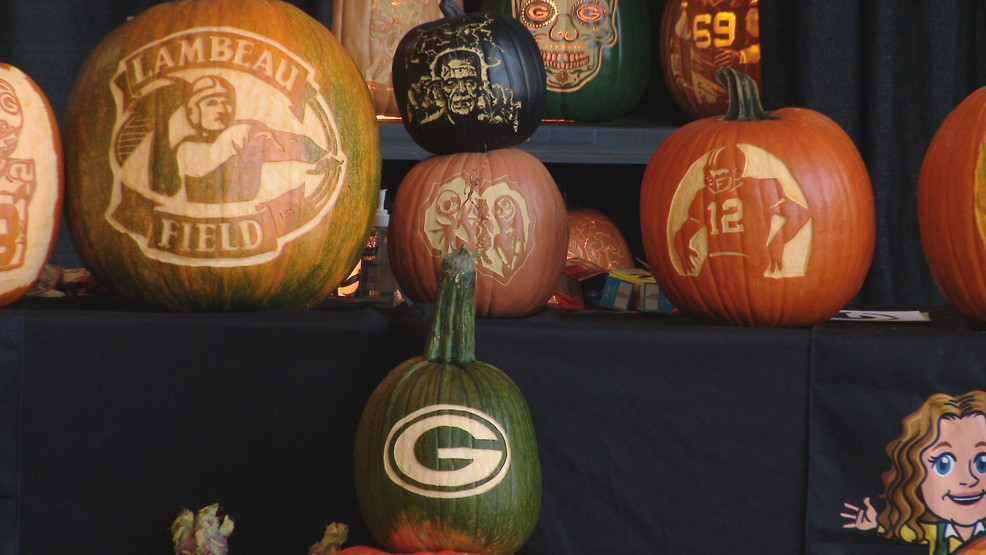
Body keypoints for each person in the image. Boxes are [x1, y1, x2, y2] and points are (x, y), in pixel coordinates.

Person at [842, 391, 986, 554]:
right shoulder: (928, 531)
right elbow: (904, 530)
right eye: (943, 465)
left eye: (983, 463)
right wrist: (877, 523)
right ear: (916, 475)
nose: (968, 479)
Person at [673, 144, 810, 277]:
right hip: (714, 262)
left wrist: (778, 242)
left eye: (720, 173)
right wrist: (681, 243)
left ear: (737, 172)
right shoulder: (702, 195)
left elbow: (801, 213)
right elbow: (692, 224)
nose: (714, 178)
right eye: (710, 173)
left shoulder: (763, 187)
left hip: (752, 261)